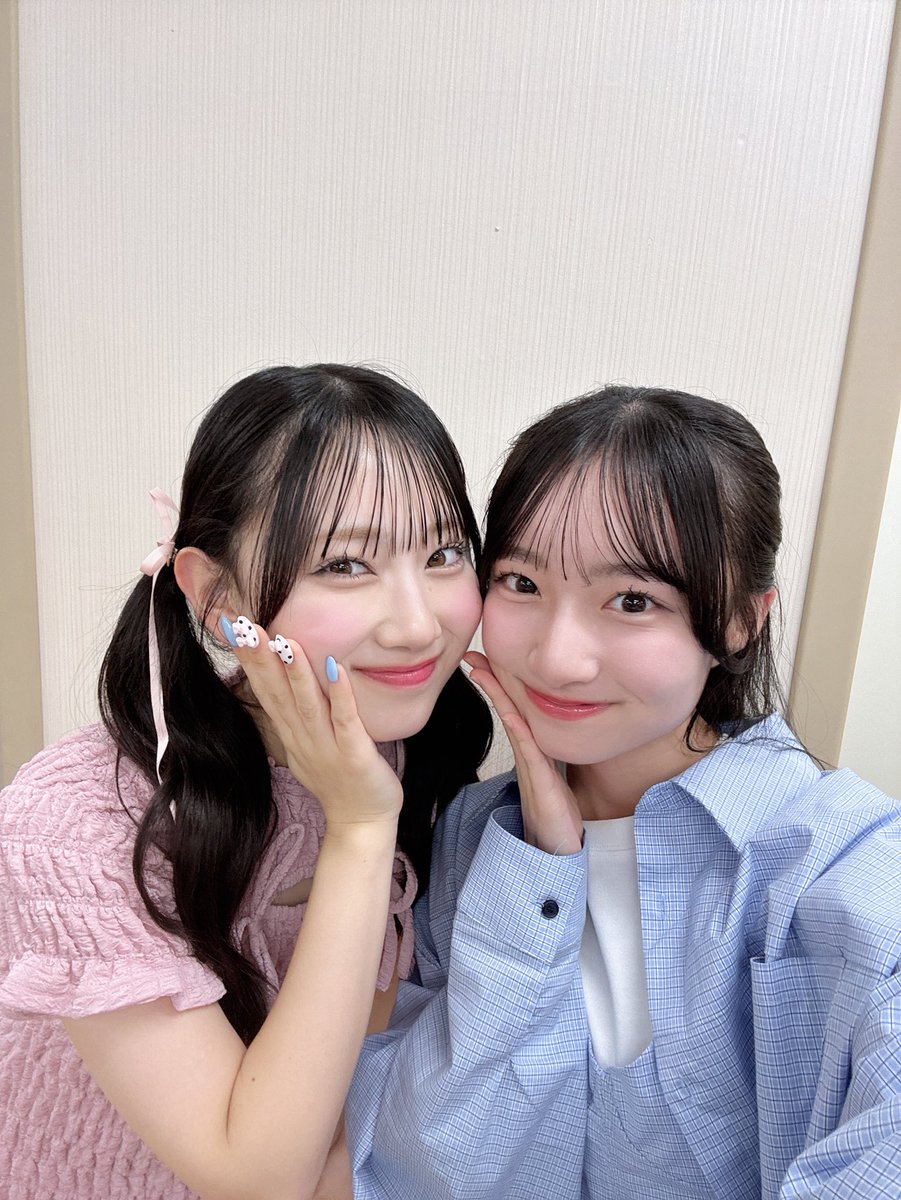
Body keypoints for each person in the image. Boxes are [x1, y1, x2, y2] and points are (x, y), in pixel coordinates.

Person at [347, 385, 901, 1199]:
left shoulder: (843, 865)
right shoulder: (472, 837)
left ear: (741, 621)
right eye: (521, 583)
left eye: (632, 601)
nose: (557, 658)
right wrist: (539, 866)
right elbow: (423, 1173)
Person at [0, 363, 492, 1200]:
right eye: (346, 564)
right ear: (215, 593)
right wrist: (359, 830)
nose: (418, 625)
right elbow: (258, 1178)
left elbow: (352, 1116)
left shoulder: (411, 757)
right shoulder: (73, 821)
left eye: (443, 554)